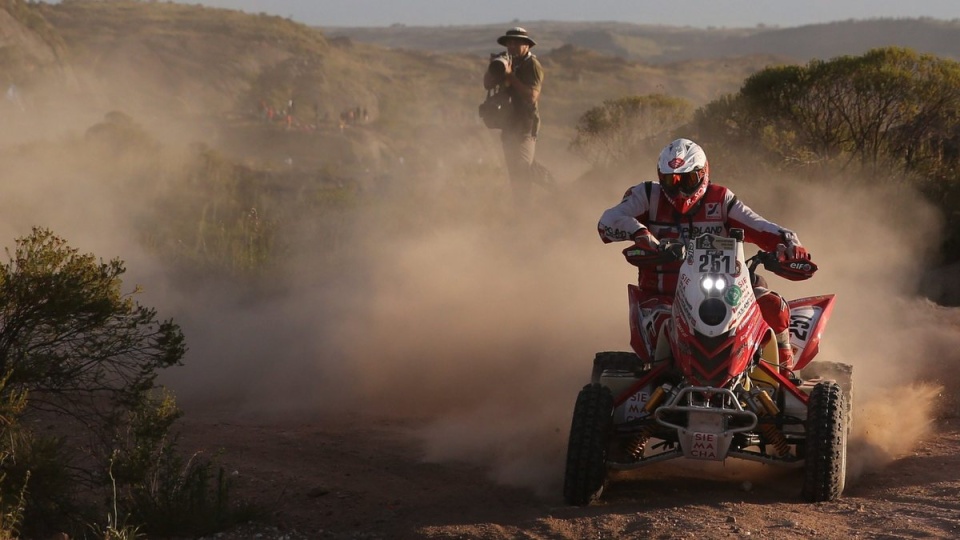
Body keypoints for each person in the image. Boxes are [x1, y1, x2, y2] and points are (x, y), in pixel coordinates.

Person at [597, 138, 811, 371]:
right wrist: (641, 235)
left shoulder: (721, 199)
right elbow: (608, 220)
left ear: (703, 173)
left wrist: (790, 244)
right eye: (671, 180)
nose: (679, 190)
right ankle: (660, 377)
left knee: (773, 307)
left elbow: (760, 226)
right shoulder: (647, 194)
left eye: (687, 179)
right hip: (664, 294)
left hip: (729, 293)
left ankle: (785, 372)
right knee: (661, 324)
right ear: (661, 178)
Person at [483, 27, 548, 206]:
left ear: (526, 45)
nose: (511, 46)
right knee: (522, 167)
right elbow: (487, 84)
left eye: (516, 43)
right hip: (509, 125)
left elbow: (532, 96)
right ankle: (558, 191)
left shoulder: (531, 65)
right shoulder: (508, 61)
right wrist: (494, 69)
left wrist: (510, 76)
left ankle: (524, 213)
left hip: (525, 126)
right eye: (509, 43)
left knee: (520, 172)